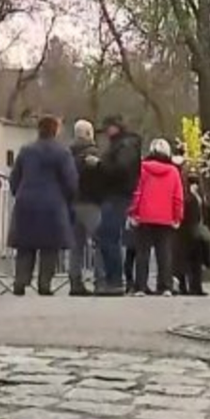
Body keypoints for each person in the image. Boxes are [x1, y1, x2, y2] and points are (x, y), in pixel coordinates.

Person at [8, 115, 78, 296]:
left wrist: (19, 192)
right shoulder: (62, 153)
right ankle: (44, 284)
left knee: (25, 246)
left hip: (27, 202)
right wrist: (68, 199)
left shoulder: (26, 150)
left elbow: (15, 177)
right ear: (55, 130)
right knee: (50, 247)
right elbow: (70, 181)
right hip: (52, 205)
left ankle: (20, 281)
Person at [126, 138, 183, 296]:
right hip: (165, 218)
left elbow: (137, 192)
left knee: (142, 253)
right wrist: (177, 217)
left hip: (144, 216)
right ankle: (165, 286)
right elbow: (177, 197)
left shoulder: (142, 169)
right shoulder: (173, 171)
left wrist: (133, 212)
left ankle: (140, 287)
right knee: (164, 253)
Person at [97, 115, 142, 296]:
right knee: (108, 237)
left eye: (107, 128)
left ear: (115, 127)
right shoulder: (123, 144)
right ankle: (114, 279)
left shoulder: (124, 145)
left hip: (118, 195)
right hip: (117, 195)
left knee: (109, 236)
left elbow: (122, 168)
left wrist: (101, 165)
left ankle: (115, 280)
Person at [69, 119, 104, 296]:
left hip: (73, 203)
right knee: (100, 242)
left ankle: (75, 281)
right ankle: (100, 280)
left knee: (76, 245)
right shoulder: (94, 154)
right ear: (90, 134)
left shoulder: (68, 154)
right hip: (91, 203)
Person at [175, 167, 210, 296]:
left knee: (196, 261)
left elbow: (206, 211)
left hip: (197, 230)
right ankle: (184, 286)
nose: (194, 185)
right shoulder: (187, 196)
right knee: (185, 261)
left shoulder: (200, 196)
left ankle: (196, 286)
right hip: (185, 232)